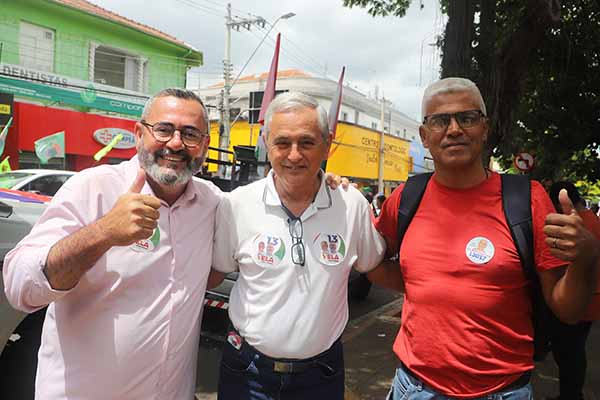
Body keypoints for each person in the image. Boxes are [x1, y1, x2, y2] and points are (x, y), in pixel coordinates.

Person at [369, 77, 599, 399]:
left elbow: (567, 310)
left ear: (485, 128)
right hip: (415, 387)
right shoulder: (407, 198)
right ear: (424, 136)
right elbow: (373, 261)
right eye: (440, 121)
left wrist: (586, 257)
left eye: (467, 118)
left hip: (503, 391)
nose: (454, 130)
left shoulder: (526, 200)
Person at [3, 88, 223, 400]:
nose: (175, 143)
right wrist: (104, 232)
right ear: (138, 133)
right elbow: (19, 286)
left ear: (203, 145)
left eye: (190, 134)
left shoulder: (211, 203)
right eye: (163, 129)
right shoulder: (93, 187)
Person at [211, 92, 386, 400]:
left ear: (327, 144)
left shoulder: (351, 204)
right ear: (266, 144)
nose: (294, 155)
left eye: (306, 142)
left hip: (321, 374)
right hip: (246, 372)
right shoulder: (237, 204)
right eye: (282, 143)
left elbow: (371, 263)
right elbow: (217, 269)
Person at [547, 181, 600, 400]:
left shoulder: (578, 225)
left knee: (569, 353)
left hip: (582, 298)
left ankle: (571, 396)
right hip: (592, 298)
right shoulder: (593, 220)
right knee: (574, 351)